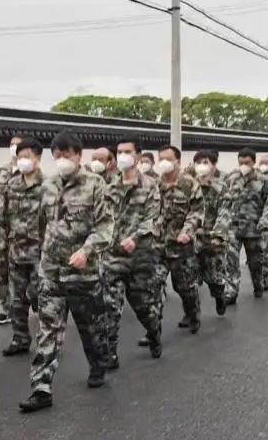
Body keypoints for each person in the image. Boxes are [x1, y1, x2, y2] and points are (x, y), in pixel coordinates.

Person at [21, 130, 112, 413]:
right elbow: (41, 226)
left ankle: (98, 364)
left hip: (83, 274)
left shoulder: (95, 185)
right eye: (57, 156)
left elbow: (105, 226)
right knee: (48, 330)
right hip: (51, 271)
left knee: (91, 328)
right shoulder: (47, 187)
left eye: (67, 155)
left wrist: (86, 251)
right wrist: (40, 261)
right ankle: (41, 386)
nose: (62, 161)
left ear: (78, 156)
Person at [102, 135, 163, 362]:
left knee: (142, 304)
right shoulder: (110, 186)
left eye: (127, 152)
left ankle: (154, 331)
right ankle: (110, 353)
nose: (123, 157)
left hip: (140, 255)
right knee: (110, 305)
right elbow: (102, 217)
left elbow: (153, 217)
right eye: (119, 153)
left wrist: (136, 238)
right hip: (113, 254)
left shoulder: (150, 185)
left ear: (137, 155)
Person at [0, 136, 47, 357]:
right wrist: (0, 243)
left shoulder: (48, 186)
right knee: (17, 300)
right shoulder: (11, 185)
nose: (23, 160)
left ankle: (49, 339)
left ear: (38, 158)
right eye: (20, 157)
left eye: (27, 156)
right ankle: (20, 338)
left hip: (40, 252)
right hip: (16, 251)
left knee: (40, 297)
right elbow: (2, 216)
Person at [154, 144, 205, 334]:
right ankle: (153, 329)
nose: (164, 163)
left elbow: (197, 212)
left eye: (168, 159)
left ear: (178, 161)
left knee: (184, 287)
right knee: (153, 287)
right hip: (158, 246)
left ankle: (192, 314)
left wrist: (187, 231)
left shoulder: (189, 184)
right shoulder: (154, 185)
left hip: (181, 246)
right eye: (161, 159)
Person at [223, 148, 268, 303]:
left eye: (247, 162)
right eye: (241, 162)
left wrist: (265, 220)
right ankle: (231, 292)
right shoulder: (231, 178)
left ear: (254, 162)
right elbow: (224, 201)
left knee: (255, 262)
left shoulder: (263, 180)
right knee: (230, 260)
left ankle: (258, 284)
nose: (244, 165)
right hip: (233, 227)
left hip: (254, 228)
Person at [191, 150, 232, 315]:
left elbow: (225, 213)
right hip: (192, 238)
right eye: (198, 162)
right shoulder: (188, 186)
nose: (201, 166)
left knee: (214, 278)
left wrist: (218, 235)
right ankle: (192, 313)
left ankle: (219, 295)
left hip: (212, 239)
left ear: (214, 166)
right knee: (188, 278)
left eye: (205, 162)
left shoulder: (221, 188)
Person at [0, 135, 24, 326]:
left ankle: (24, 305)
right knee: (2, 271)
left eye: (17, 145)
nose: (14, 148)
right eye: (11, 144)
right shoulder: (2, 171)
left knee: (22, 272)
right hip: (2, 230)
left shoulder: (30, 173)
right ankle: (7, 308)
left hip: (22, 232)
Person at [255, 153, 268, 290]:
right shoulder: (254, 178)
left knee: (267, 251)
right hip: (254, 221)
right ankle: (260, 278)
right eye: (262, 162)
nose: (264, 165)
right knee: (257, 252)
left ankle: (265, 276)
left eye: (267, 162)